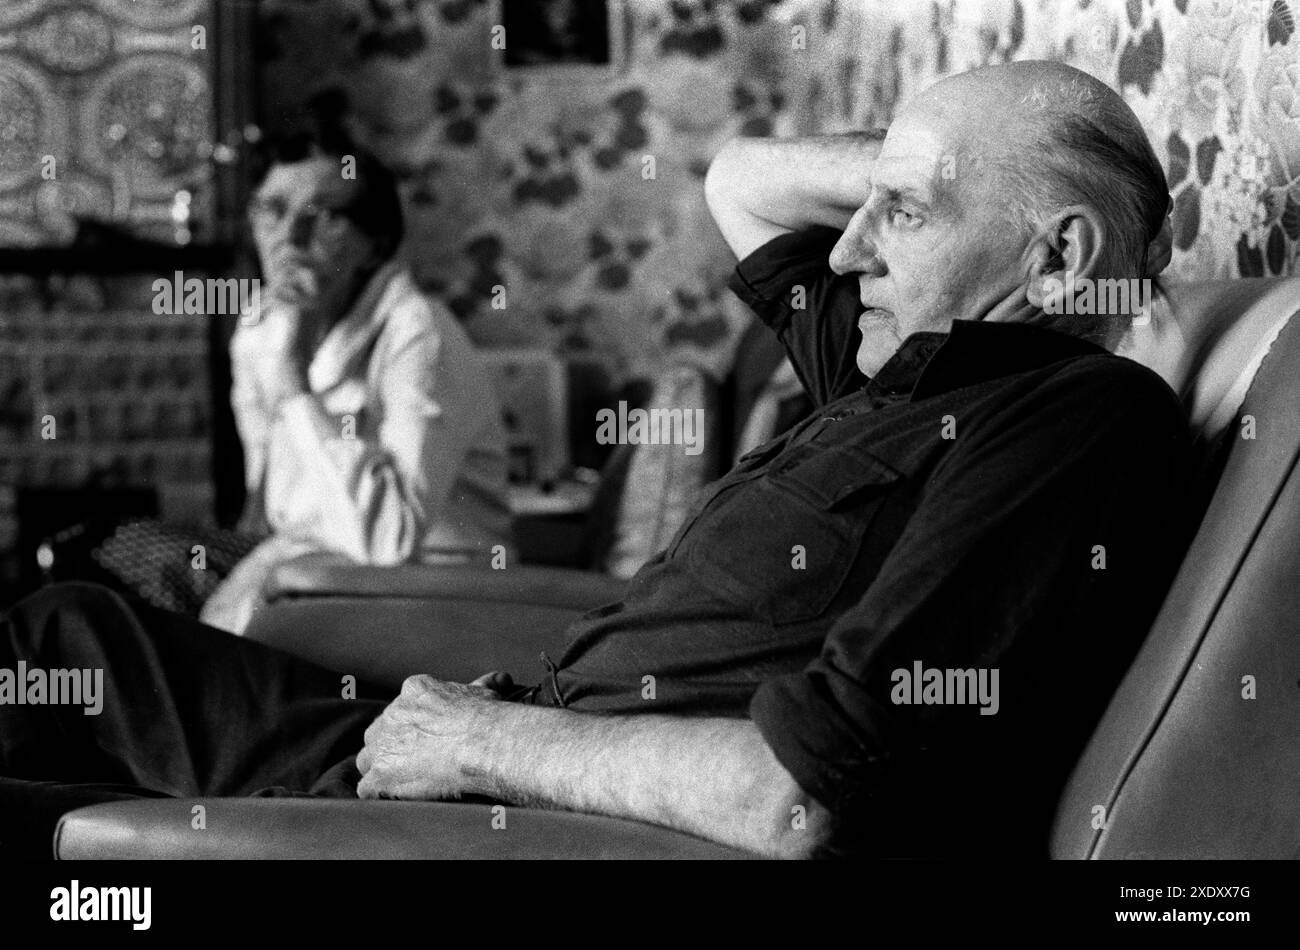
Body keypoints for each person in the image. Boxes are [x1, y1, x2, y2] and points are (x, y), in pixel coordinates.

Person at [0, 62, 1192, 859]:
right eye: (864, 209)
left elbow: (799, 796)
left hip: (523, 805)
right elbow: (740, 179)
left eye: (900, 217)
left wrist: (482, 742)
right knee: (64, 630)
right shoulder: (904, 370)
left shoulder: (1069, 416)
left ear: (1059, 260)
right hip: (483, 735)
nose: (843, 256)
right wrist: (929, 171)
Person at [99, 130, 515, 633]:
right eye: (270, 210)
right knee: (105, 556)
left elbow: (389, 540)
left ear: (375, 245)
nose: (288, 236)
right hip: (310, 565)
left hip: (430, 590)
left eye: (323, 216)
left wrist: (295, 382)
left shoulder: (418, 331)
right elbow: (267, 504)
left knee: (134, 600)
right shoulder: (261, 328)